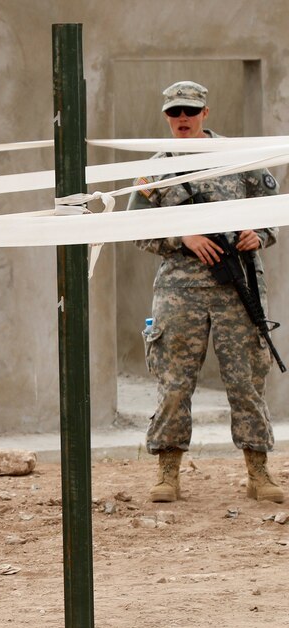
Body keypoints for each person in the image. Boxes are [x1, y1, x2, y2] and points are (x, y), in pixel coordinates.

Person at [129, 80, 283, 504]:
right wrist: (183, 237)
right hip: (181, 290)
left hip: (238, 286)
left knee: (246, 379)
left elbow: (274, 206)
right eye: (175, 112)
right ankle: (168, 473)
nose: (182, 119)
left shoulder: (241, 158)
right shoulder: (156, 169)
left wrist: (261, 233)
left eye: (190, 112)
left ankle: (258, 472)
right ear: (165, 116)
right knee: (175, 382)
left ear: (205, 114)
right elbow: (133, 229)